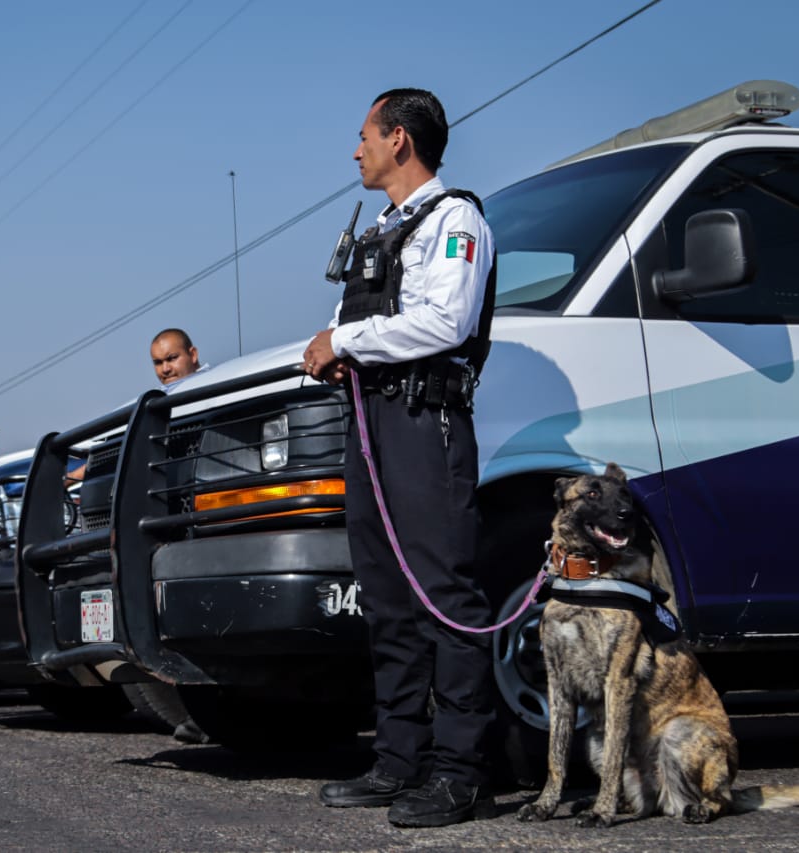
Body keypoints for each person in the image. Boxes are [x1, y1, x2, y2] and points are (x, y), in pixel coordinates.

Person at [304, 88, 498, 829]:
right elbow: (352, 319)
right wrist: (330, 345)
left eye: (363, 136)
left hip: (425, 423)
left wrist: (343, 343)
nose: (355, 150)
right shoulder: (384, 229)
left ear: (399, 140)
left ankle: (461, 771)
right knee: (386, 600)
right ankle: (400, 758)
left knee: (443, 596)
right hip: (370, 421)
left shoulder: (456, 219)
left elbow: (445, 320)